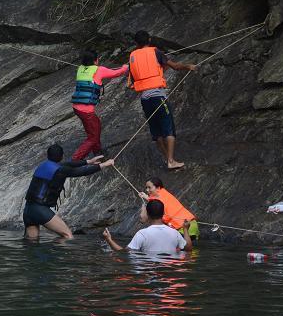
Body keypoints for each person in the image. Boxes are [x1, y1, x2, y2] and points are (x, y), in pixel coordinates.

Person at [127, 30, 197, 170]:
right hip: (158, 96)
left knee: (156, 132)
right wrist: (189, 66)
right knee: (168, 128)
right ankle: (171, 161)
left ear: (136, 43)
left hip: (145, 99)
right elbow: (175, 67)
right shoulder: (156, 52)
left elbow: (130, 83)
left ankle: (167, 160)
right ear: (150, 39)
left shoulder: (133, 56)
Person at [23, 143, 114, 240]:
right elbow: (82, 172)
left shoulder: (43, 165)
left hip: (28, 210)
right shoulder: (60, 170)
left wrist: (88, 161)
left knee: (31, 243)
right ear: (61, 156)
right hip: (40, 210)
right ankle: (56, 254)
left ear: (48, 155)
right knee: (68, 236)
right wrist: (104, 164)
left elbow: (68, 164)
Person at [70, 50, 128, 161]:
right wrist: (125, 67)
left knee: (95, 128)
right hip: (86, 111)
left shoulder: (80, 68)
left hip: (77, 108)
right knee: (93, 136)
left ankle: (98, 153)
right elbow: (117, 73)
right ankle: (75, 160)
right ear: (96, 60)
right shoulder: (99, 70)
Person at [102, 199, 193, 254]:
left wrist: (109, 239)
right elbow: (188, 249)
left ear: (148, 215)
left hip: (148, 270)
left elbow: (124, 253)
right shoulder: (174, 232)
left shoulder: (142, 234)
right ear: (163, 214)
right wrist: (185, 229)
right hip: (168, 271)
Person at [144, 177, 199, 242]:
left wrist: (148, 198)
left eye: (149, 187)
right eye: (146, 188)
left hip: (184, 227)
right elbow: (157, 200)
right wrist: (148, 198)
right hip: (192, 225)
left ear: (158, 188)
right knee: (188, 250)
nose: (147, 190)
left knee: (177, 248)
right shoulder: (164, 193)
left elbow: (157, 203)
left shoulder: (159, 198)